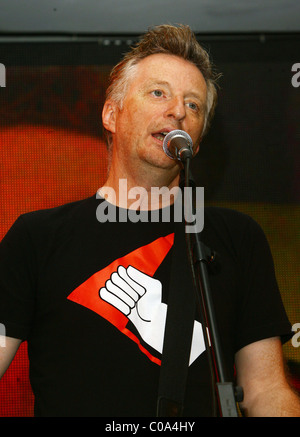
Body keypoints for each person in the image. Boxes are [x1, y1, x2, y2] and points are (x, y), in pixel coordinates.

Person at [0, 24, 299, 417]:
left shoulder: (237, 238)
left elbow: (264, 390)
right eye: (159, 92)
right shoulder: (36, 237)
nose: (178, 110)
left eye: (193, 105)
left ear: (198, 137)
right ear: (111, 113)